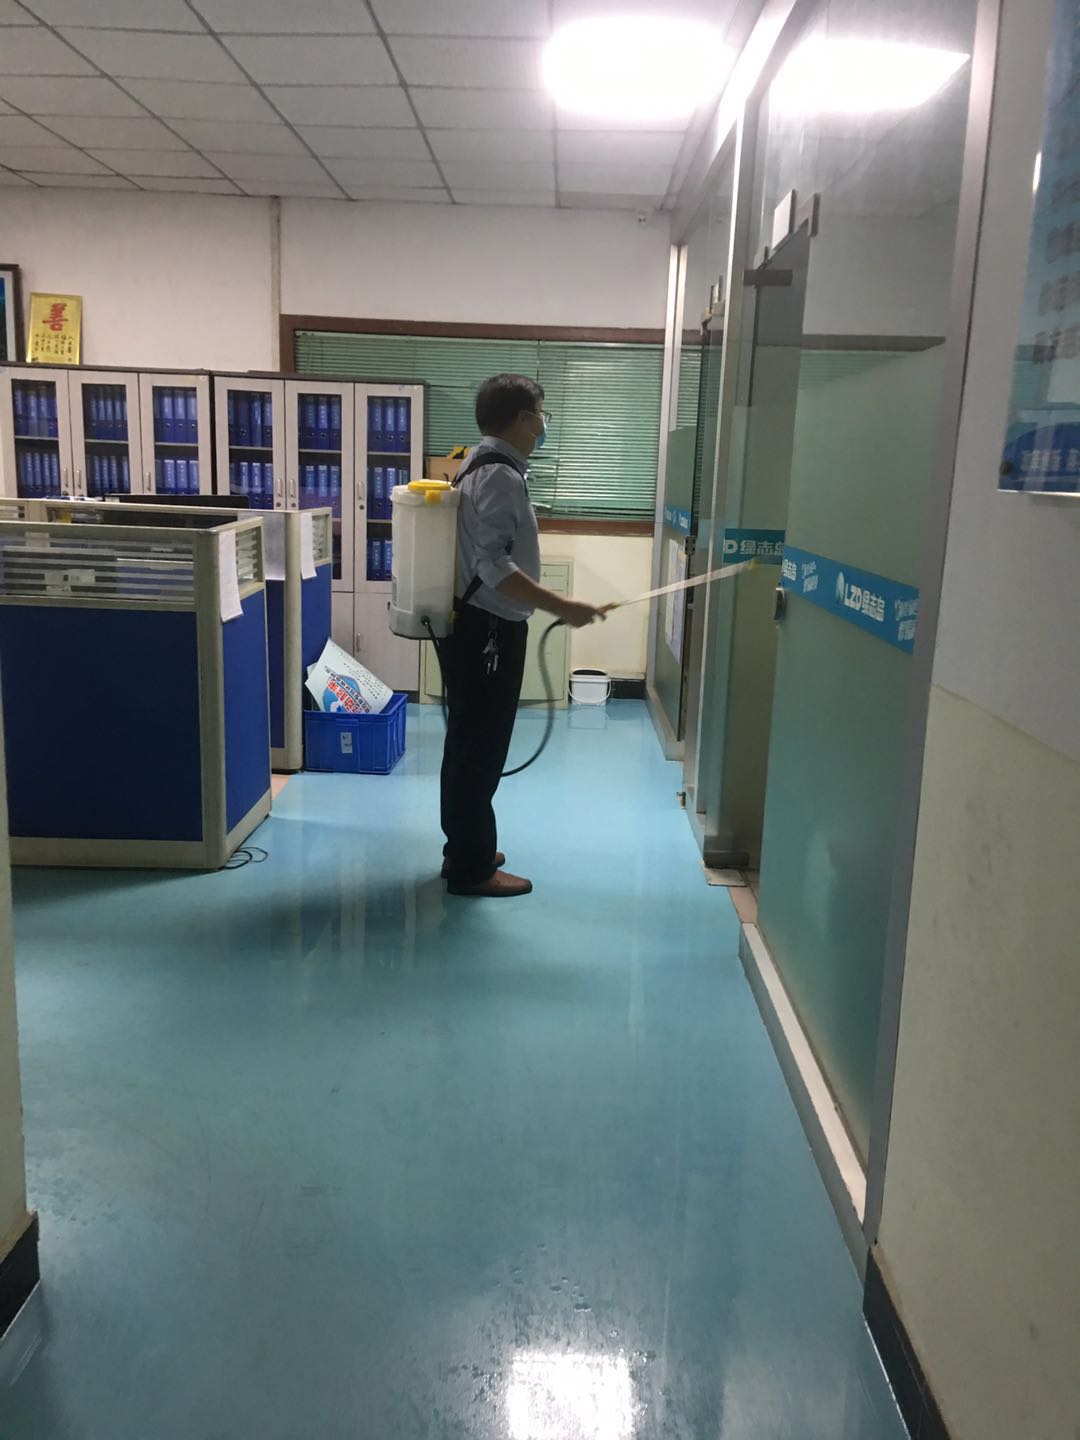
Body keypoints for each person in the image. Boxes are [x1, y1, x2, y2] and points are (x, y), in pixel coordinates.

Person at [440, 374, 603, 898]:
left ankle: (464, 848)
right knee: (481, 748)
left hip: (474, 625)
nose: (543, 425)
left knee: (468, 740)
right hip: (487, 629)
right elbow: (493, 566)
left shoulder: (479, 462)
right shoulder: (500, 475)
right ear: (523, 418)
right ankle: (471, 868)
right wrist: (562, 606)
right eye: (540, 414)